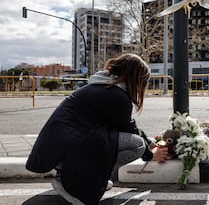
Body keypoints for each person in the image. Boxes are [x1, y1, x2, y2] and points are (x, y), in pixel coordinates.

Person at [26, 53, 169, 205]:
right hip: (65, 152)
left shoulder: (104, 85)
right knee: (137, 145)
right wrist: (150, 154)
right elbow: (130, 131)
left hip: (58, 149)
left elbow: (127, 124)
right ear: (135, 78)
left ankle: (84, 176)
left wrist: (151, 142)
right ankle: (77, 182)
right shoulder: (116, 95)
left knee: (124, 139)